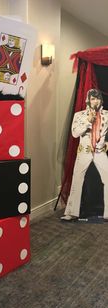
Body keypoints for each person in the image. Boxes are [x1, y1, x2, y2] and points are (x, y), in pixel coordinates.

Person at [61, 89, 108, 221]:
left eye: (98, 98)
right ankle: (71, 212)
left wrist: (107, 143)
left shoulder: (106, 114)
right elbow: (75, 133)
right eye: (93, 98)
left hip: (99, 151)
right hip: (84, 150)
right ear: (88, 100)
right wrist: (88, 121)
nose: (96, 101)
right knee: (77, 180)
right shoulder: (79, 115)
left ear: (101, 100)